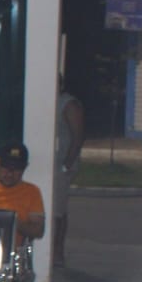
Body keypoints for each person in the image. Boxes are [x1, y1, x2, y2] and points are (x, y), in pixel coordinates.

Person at [53, 84, 85, 266]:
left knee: (58, 210)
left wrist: (66, 165)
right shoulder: (46, 102)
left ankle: (57, 252)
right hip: (49, 164)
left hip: (61, 166)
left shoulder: (69, 105)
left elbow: (78, 136)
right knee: (55, 209)